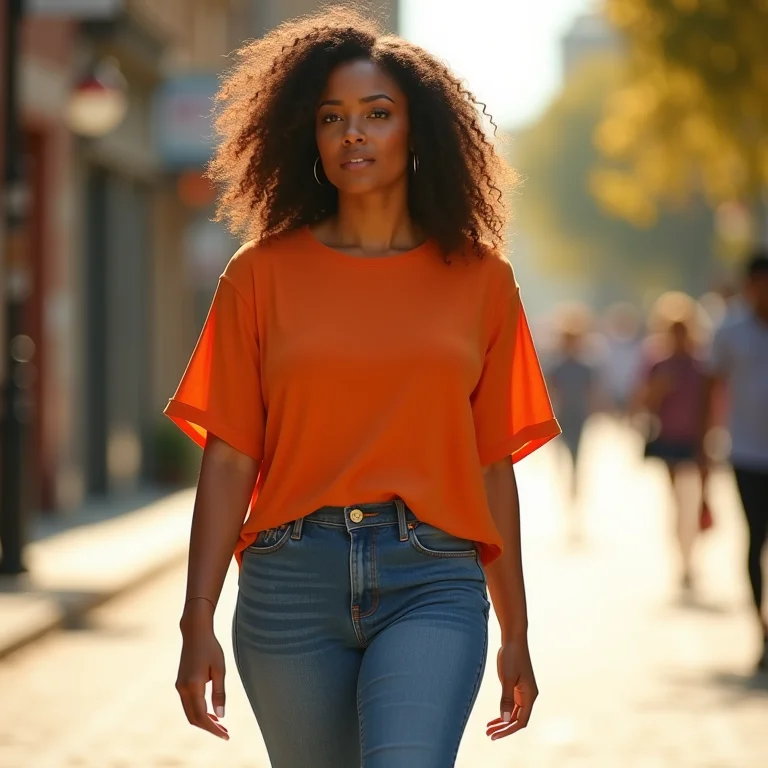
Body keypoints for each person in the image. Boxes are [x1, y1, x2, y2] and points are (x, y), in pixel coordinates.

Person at [163, 7, 561, 767]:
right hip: (289, 585)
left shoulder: (482, 279)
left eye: (378, 114)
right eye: (332, 117)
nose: (354, 133)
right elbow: (230, 457)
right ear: (306, 136)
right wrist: (195, 619)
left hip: (432, 578)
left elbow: (491, 466)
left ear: (418, 131)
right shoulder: (258, 276)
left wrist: (516, 632)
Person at [704, 252, 768, 672]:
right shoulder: (730, 329)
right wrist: (702, 443)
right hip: (746, 453)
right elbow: (711, 386)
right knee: (755, 538)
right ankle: (761, 629)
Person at [636, 294, 709, 592]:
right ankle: (683, 558)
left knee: (695, 501)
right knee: (678, 502)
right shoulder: (659, 364)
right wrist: (660, 389)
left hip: (695, 440)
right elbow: (644, 404)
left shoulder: (701, 365)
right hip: (669, 440)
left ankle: (691, 554)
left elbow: (710, 405)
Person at [546, 314, 597, 513]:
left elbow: (592, 391)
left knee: (577, 451)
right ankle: (563, 483)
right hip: (562, 415)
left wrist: (594, 409)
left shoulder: (585, 367)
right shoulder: (556, 367)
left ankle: (574, 485)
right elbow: (549, 391)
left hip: (578, 414)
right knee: (561, 451)